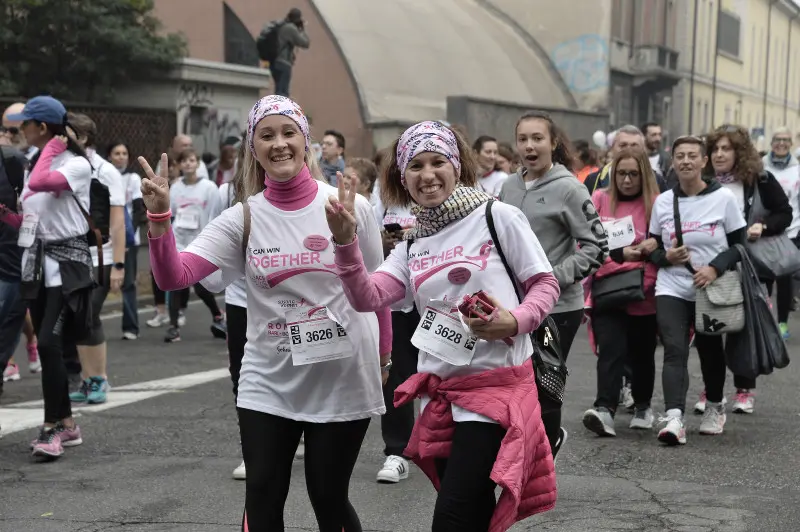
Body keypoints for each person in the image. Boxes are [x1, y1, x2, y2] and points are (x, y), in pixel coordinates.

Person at [141, 94, 392, 531]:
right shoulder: (244, 217)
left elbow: (376, 290)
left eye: (288, 132)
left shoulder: (350, 206)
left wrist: (385, 357)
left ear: (306, 141)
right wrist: (160, 218)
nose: (279, 144)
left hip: (341, 374)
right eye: (267, 135)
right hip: (268, 376)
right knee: (262, 492)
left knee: (328, 497)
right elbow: (173, 277)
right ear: (253, 148)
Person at [327, 120, 559, 530]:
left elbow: (544, 284)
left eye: (437, 162)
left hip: (497, 391)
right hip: (446, 396)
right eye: (415, 166)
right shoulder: (413, 244)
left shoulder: (497, 216)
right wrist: (345, 244)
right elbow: (368, 296)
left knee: (451, 515)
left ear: (457, 166)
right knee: (473, 512)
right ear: (403, 177)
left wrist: (513, 321)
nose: (427, 175)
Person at [499, 110, 608, 455]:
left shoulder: (569, 188)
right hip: (513, 306)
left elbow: (597, 246)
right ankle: (526, 446)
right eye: (523, 139)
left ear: (553, 143)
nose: (529, 146)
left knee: (545, 381)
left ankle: (542, 454)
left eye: (537, 138)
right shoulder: (508, 186)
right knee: (513, 381)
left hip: (557, 309)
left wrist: (550, 280)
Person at [0, 96, 93, 459]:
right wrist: (7, 216)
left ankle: (51, 428)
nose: (18, 130)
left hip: (67, 269)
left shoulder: (75, 165)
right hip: (36, 267)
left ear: (41, 127)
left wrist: (56, 145)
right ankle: (67, 425)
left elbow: (40, 185)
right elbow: (31, 218)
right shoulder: (34, 162)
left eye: (24, 124)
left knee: (51, 346)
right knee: (46, 342)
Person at [648, 135, 746, 445]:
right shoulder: (663, 201)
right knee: (674, 349)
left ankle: (715, 406)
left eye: (693, 156)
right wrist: (666, 257)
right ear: (673, 162)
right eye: (680, 156)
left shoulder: (725, 198)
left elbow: (740, 245)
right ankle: (674, 417)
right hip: (672, 286)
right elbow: (651, 248)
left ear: (704, 161)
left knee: (709, 351)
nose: (686, 161)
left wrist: (714, 267)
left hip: (711, 290)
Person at [700, 124, 791, 416]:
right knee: (711, 328)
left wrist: (762, 226)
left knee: (744, 329)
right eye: (715, 148)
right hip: (713, 265)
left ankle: (744, 389)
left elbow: (784, 213)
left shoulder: (759, 179)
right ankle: (711, 389)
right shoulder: (704, 182)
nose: (719, 154)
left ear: (740, 153)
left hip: (750, 264)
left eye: (727, 148)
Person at [582, 149, 660, 436]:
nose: (627, 180)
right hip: (608, 288)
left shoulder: (656, 203)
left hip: (644, 291)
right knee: (610, 351)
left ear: (644, 176)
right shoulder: (600, 199)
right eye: (621, 174)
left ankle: (642, 405)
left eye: (633, 174)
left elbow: (661, 246)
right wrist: (624, 256)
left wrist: (641, 263)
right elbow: (588, 244)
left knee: (642, 353)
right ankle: (605, 409)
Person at [66, 113, 127, 406]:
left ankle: (100, 378)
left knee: (90, 314)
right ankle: (87, 380)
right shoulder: (66, 166)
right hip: (75, 254)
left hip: (101, 255)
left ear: (83, 138)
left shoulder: (105, 172)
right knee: (79, 317)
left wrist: (118, 265)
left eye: (68, 134)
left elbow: (118, 224)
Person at [165, 148, 225, 343]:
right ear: (180, 165)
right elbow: (172, 212)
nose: (189, 164)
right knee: (175, 283)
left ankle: (217, 315)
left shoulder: (209, 188)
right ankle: (173, 327)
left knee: (200, 287)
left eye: (192, 160)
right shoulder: (175, 187)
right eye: (184, 161)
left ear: (198, 163)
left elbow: (215, 214)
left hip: (200, 240)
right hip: (179, 239)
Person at [760, 127, 800, 340]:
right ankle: (764, 320)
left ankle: (782, 322)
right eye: (777, 139)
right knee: (763, 279)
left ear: (791, 142)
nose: (781, 144)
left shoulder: (797, 170)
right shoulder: (761, 166)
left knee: (784, 281)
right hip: (763, 232)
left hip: (790, 232)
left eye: (785, 140)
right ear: (771, 142)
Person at [271, 7, 310, 97]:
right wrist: (303, 29)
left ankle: (277, 108)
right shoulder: (291, 29)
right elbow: (305, 43)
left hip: (275, 62)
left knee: (278, 90)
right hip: (284, 63)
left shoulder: (281, 26)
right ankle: (281, 109)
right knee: (283, 93)